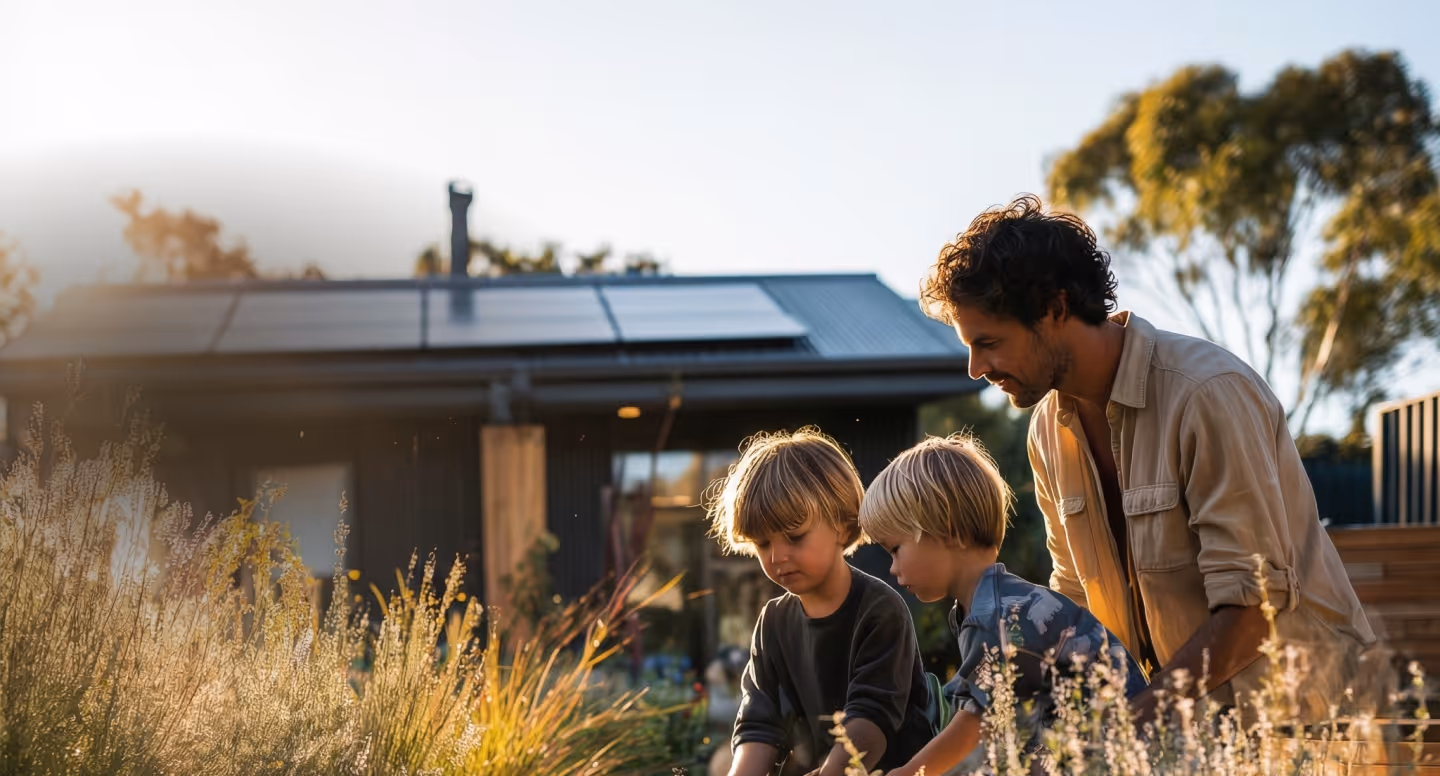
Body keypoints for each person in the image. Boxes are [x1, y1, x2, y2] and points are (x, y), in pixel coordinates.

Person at [918, 194, 1376, 722]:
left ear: (1056, 309)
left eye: (989, 342)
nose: (975, 368)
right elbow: (1076, 605)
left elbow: (1253, 612)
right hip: (1186, 730)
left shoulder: (1206, 393)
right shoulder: (1047, 430)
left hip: (1314, 726)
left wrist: (1123, 732)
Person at [859, 434, 1148, 775]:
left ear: (947, 530)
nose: (892, 568)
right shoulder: (995, 605)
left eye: (895, 549)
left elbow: (974, 724)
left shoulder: (998, 616)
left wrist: (907, 772)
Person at [707, 427, 933, 776]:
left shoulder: (879, 611)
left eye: (794, 537)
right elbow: (758, 725)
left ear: (842, 526)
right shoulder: (773, 623)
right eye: (763, 544)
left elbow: (871, 720)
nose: (777, 556)